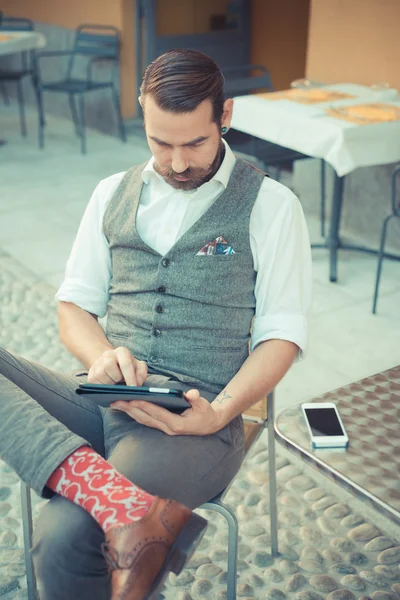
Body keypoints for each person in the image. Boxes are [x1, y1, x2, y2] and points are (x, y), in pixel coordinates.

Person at [0, 49, 312, 600]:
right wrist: (99, 355)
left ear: (226, 117)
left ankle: (90, 490)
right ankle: (98, 484)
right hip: (105, 397)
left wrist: (218, 412)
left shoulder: (272, 205)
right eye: (159, 142)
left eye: (194, 142)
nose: (175, 162)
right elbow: (73, 307)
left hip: (196, 419)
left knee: (64, 533)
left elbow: (281, 336)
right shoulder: (110, 193)